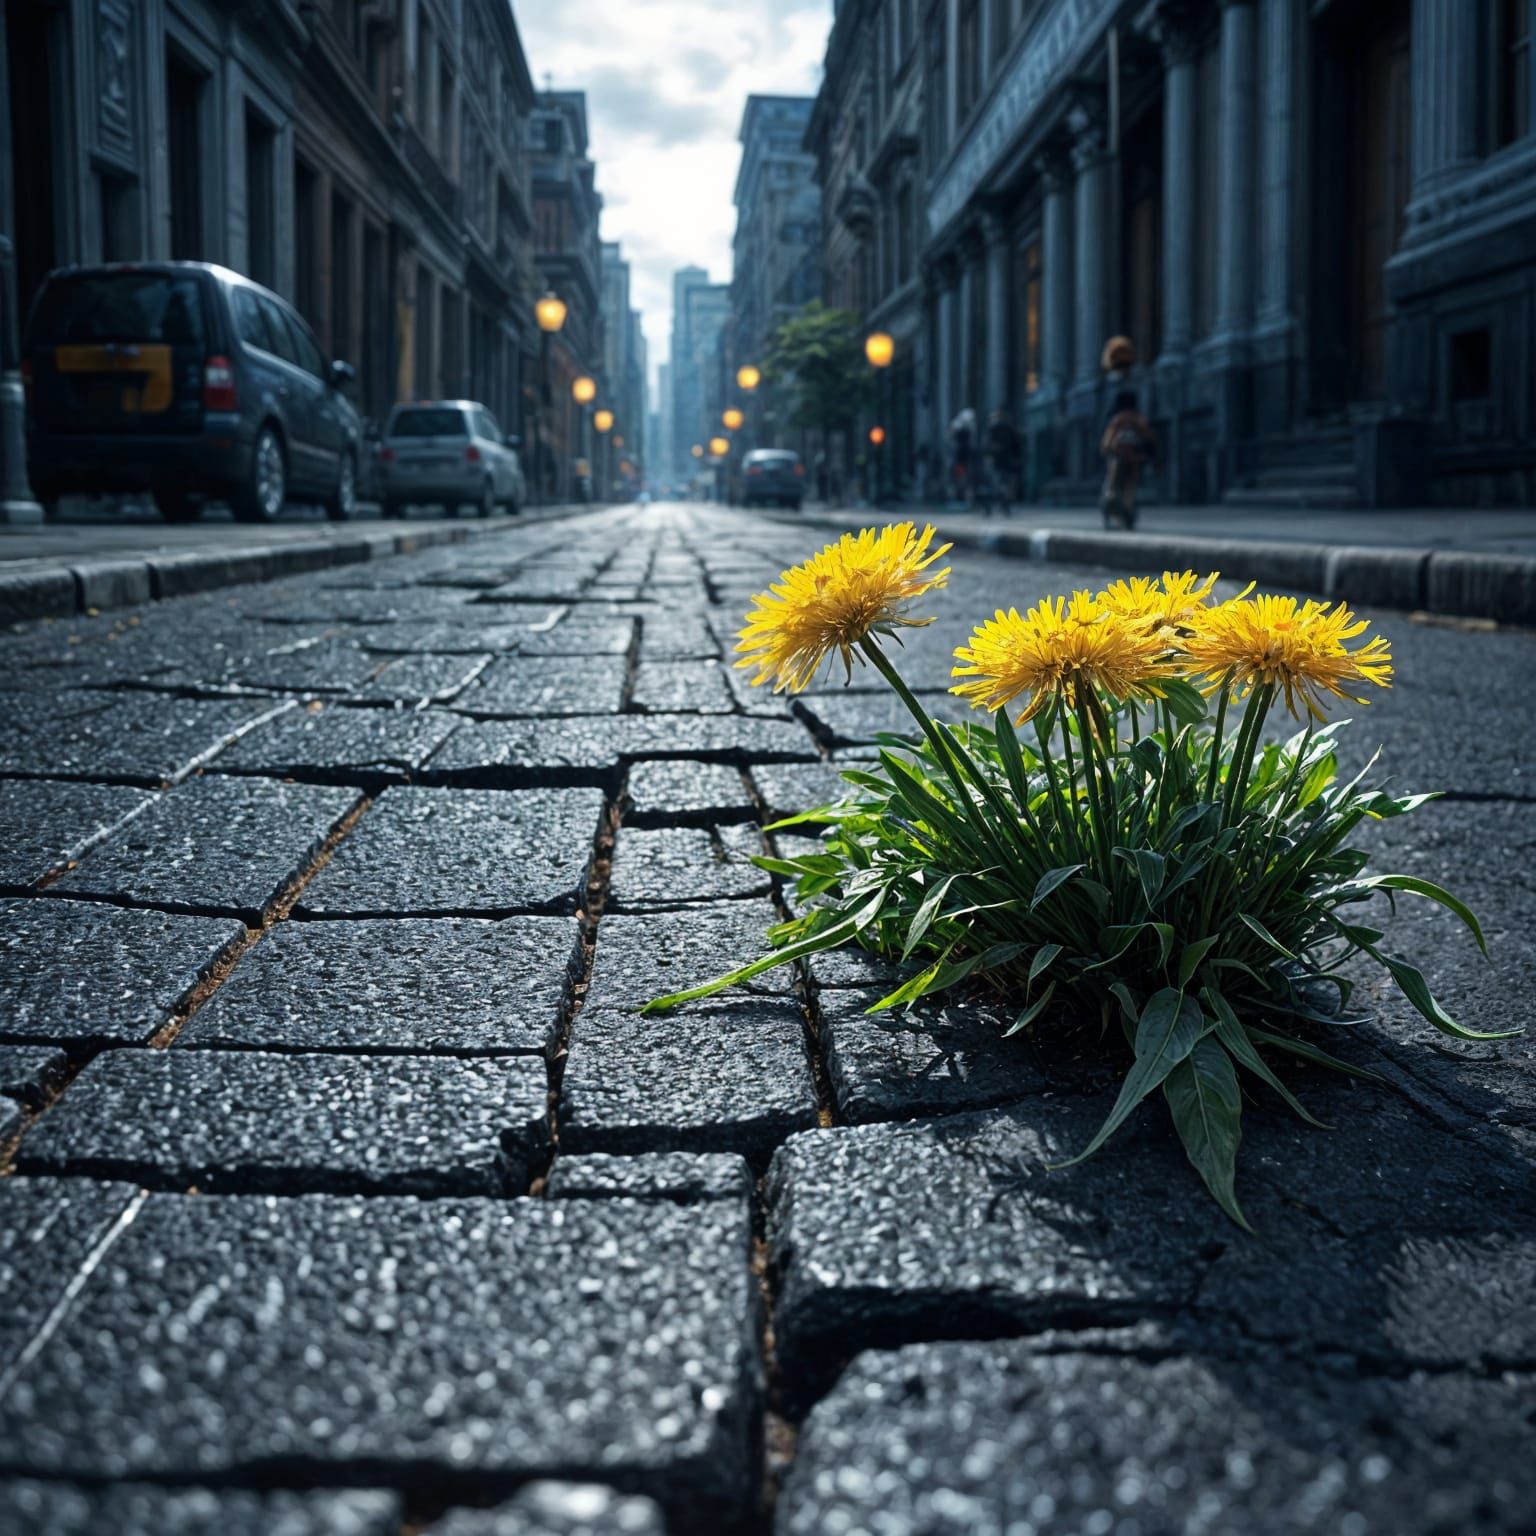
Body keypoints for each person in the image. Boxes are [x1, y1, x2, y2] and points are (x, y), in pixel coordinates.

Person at [1099, 389, 1155, 530]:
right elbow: (1150, 439)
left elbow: (1107, 443)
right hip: (1134, 458)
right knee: (1131, 485)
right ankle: (1126, 507)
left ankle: (1110, 498)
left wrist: (1106, 449)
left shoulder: (1117, 420)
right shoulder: (1139, 420)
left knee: (1112, 482)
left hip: (1117, 456)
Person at [985, 408, 1021, 516]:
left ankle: (997, 505)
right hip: (1005, 461)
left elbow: (988, 445)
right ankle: (1002, 504)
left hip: (1001, 461)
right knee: (1002, 484)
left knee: (998, 484)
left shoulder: (996, 429)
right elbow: (1017, 446)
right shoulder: (1008, 428)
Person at [949, 406, 977, 504]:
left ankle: (964, 498)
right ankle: (962, 498)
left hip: (962, 456)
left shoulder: (959, 425)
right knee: (962, 478)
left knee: (963, 478)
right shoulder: (963, 426)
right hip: (962, 456)